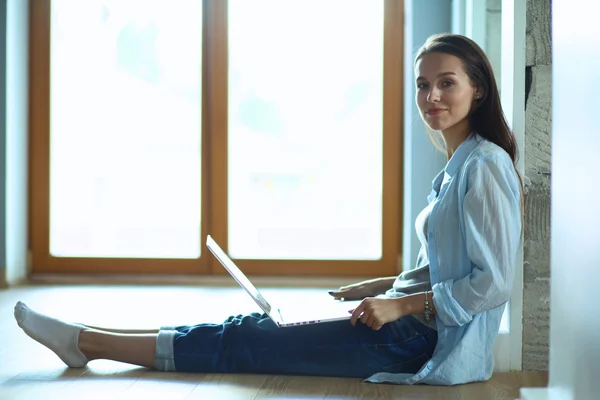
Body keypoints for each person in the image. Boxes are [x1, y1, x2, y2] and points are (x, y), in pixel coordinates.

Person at [13, 33, 522, 386]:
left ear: (477, 88)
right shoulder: (461, 161)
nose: (431, 95)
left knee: (246, 339)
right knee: (250, 325)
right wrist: (380, 287)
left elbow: (493, 281)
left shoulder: (486, 165)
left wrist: (402, 305)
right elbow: (452, 265)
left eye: (446, 83)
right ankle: (88, 338)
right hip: (402, 322)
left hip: (418, 344)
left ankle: (87, 342)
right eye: (422, 84)